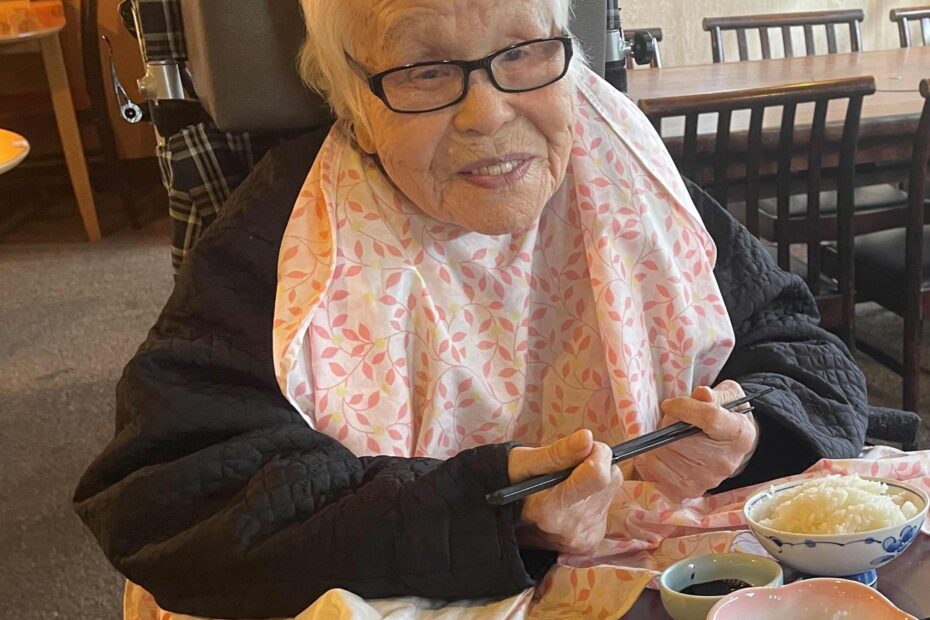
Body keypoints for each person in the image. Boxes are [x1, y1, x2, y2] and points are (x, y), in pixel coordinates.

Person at [74, 0, 874, 618]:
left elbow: (804, 353)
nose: (487, 113)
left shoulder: (627, 172)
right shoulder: (279, 232)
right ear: (353, 99)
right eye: (423, 70)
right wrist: (491, 511)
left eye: (524, 52)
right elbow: (167, 499)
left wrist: (750, 429)